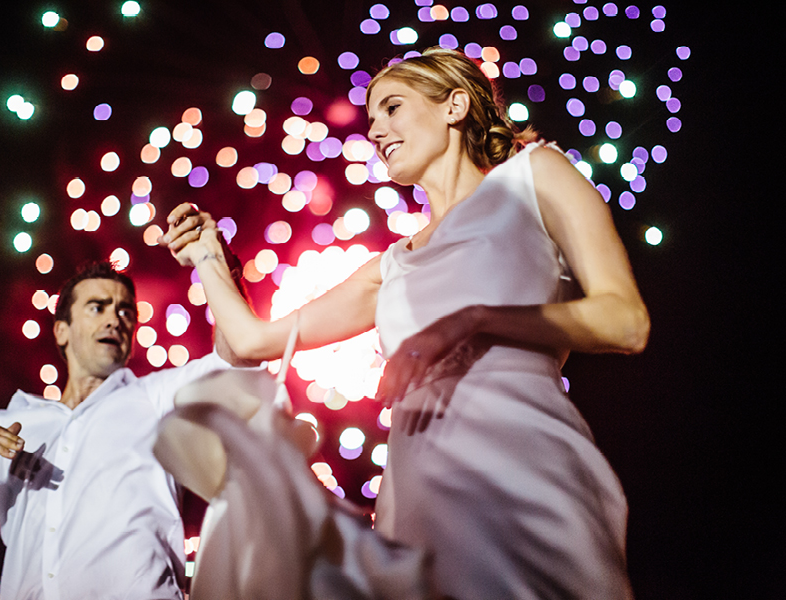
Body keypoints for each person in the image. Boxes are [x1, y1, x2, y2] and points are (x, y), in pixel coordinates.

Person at [160, 47, 649, 599]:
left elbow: (625, 322)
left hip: (520, 456)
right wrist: (209, 257)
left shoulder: (535, 176)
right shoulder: (390, 265)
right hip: (415, 480)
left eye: (392, 107)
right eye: (371, 119)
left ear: (455, 105)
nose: (376, 130)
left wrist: (477, 320)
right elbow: (251, 342)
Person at [0, 260, 256, 599]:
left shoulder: (155, 398)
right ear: (62, 331)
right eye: (98, 307)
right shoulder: (6, 424)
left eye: (125, 310)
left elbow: (241, 360)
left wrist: (220, 266)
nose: (115, 319)